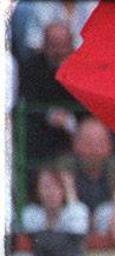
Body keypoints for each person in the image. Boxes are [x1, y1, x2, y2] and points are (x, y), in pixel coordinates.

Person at [17, 20, 79, 162]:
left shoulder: (82, 68)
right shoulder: (31, 68)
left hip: (76, 128)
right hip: (42, 129)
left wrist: (70, 120)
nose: (59, 52)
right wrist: (51, 114)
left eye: (64, 46)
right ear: (45, 45)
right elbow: (28, 99)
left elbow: (87, 105)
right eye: (54, 46)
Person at [58, 117, 115, 224]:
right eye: (88, 143)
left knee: (108, 212)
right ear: (76, 144)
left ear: (109, 146)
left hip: (108, 230)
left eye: (99, 143)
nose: (94, 150)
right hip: (72, 230)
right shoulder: (66, 165)